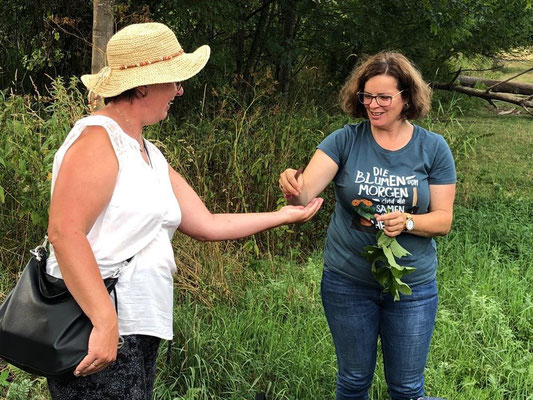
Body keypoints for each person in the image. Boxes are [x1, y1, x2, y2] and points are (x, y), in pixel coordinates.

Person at [45, 22, 323, 400]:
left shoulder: (147, 151)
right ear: (142, 85)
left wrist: (285, 215)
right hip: (96, 324)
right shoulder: (98, 139)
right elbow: (65, 233)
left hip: (136, 326)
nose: (179, 89)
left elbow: (206, 223)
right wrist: (105, 321)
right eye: (174, 80)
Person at [279, 51, 456, 400]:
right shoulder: (344, 140)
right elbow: (303, 196)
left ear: (406, 98)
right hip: (347, 282)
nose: (374, 105)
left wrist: (407, 221)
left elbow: (443, 220)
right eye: (367, 96)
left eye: (384, 97)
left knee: (406, 388)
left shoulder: (433, 148)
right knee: (354, 381)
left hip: (411, 286)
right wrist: (291, 185)